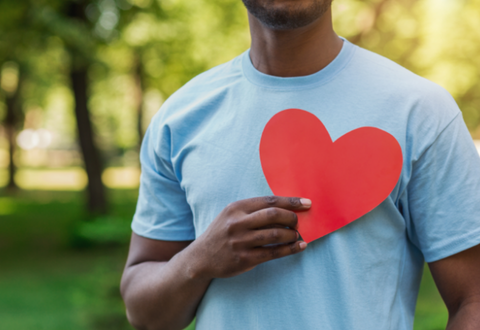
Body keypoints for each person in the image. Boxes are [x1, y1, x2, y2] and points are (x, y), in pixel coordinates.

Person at [120, 1, 480, 329]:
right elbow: (143, 314)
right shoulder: (180, 118)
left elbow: (472, 301)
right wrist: (197, 261)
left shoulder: (420, 111)